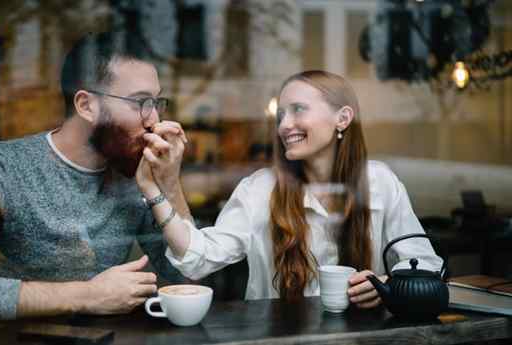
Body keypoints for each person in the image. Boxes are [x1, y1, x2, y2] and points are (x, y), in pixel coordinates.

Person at [0, 31, 192, 321]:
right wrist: (86, 296)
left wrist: (170, 186)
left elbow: (191, 284)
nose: (155, 121)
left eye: (156, 103)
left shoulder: (138, 175)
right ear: (86, 106)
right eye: (140, 103)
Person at [136, 70, 443, 307]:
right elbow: (197, 258)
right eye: (281, 115)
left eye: (298, 110)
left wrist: (387, 284)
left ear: (343, 118)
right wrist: (155, 188)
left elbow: (426, 265)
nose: (284, 125)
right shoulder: (259, 189)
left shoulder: (380, 182)